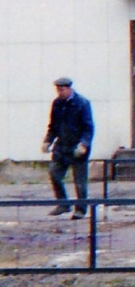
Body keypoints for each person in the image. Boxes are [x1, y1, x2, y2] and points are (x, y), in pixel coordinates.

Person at [41, 77, 94, 219]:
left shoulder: (82, 103)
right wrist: (47, 141)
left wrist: (84, 144)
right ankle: (63, 204)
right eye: (58, 90)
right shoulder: (57, 103)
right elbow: (53, 125)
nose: (60, 93)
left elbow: (88, 127)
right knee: (54, 174)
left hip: (77, 148)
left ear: (69, 89)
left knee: (80, 181)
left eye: (62, 90)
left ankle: (80, 209)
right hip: (61, 147)